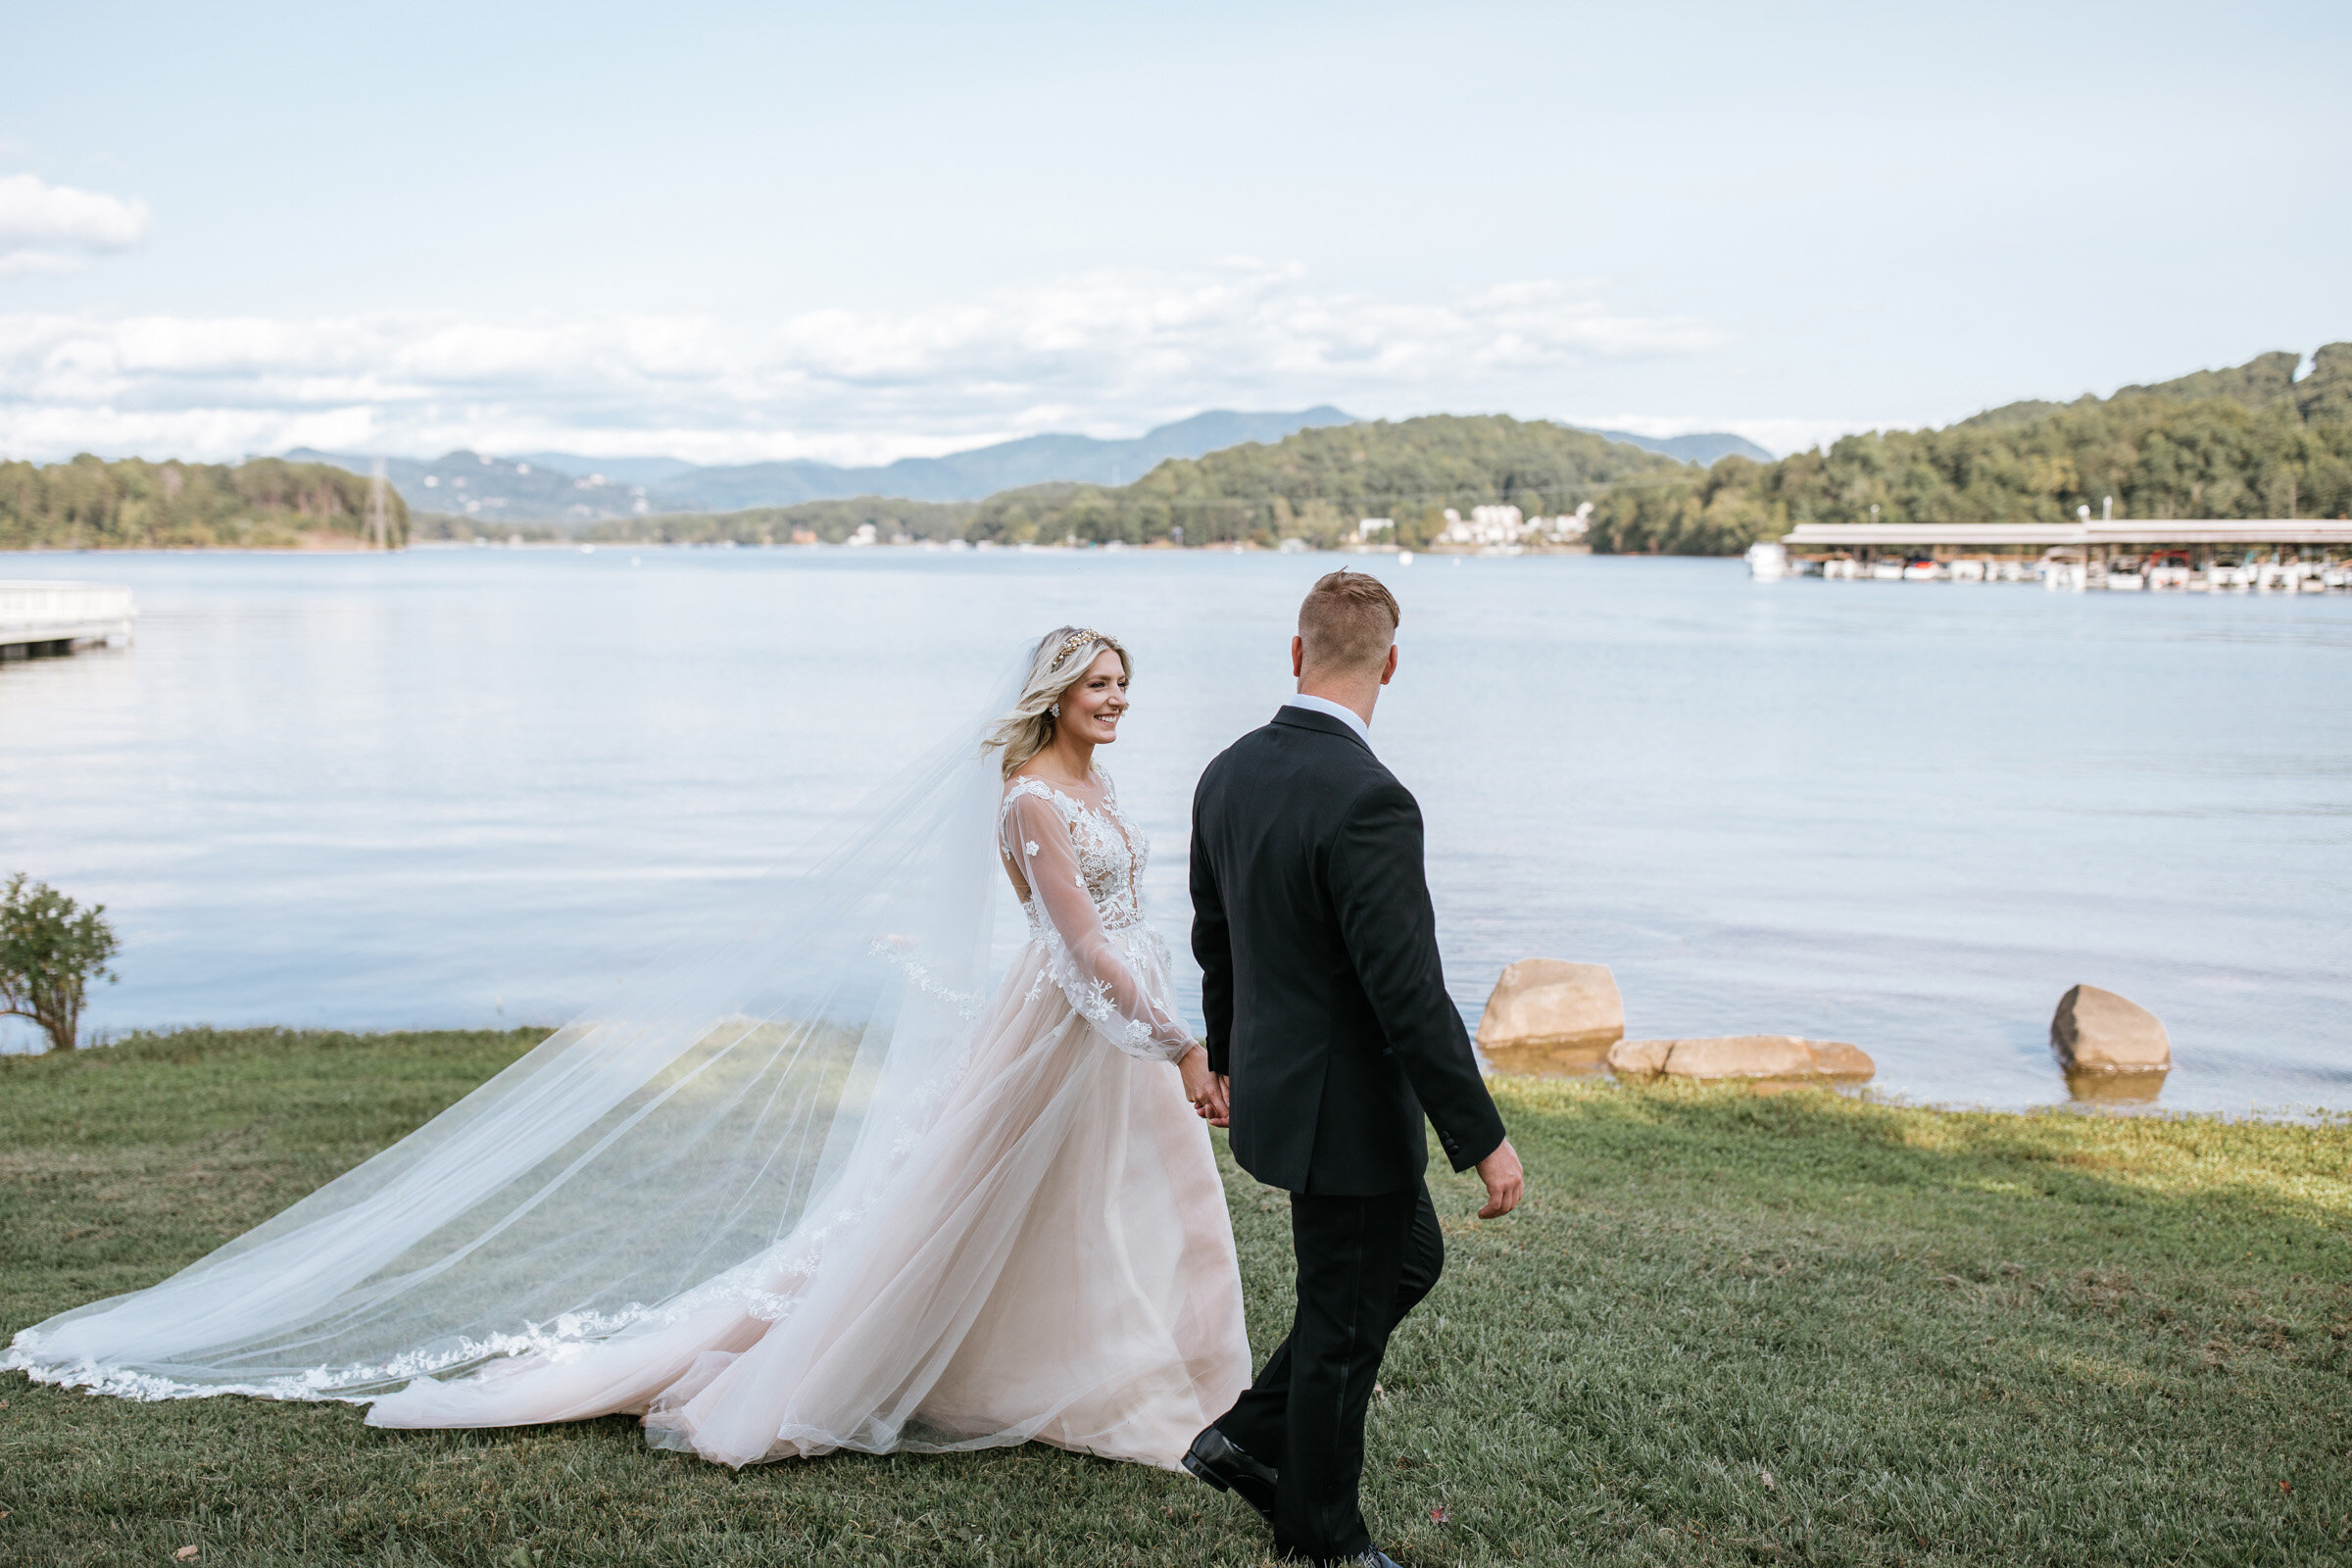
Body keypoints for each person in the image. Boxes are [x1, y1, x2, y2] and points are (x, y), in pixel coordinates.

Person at [8, 628, 1250, 1474]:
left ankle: (1134, 1375)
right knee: (1004, 1203)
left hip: (1111, 1022)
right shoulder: (1032, 796)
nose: (1117, 700)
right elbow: (1083, 949)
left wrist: (1156, 1016)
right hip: (1069, 1023)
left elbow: (1120, 932)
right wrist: (1178, 1039)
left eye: (1126, 684)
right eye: (1098, 684)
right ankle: (1085, 1383)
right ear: (1053, 692)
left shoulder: (1094, 787)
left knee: (1115, 1203)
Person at [1183, 571, 1524, 1567]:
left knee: (1404, 1259)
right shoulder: (1373, 799)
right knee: (1340, 1326)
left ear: (1296, 654)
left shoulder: (1228, 771)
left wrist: (1233, 1057)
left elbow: (1217, 943)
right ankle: (1321, 1540)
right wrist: (1484, 1138)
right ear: (1391, 662)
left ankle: (1245, 1437)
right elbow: (1408, 994)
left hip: (1287, 1097)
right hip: (1346, 1115)